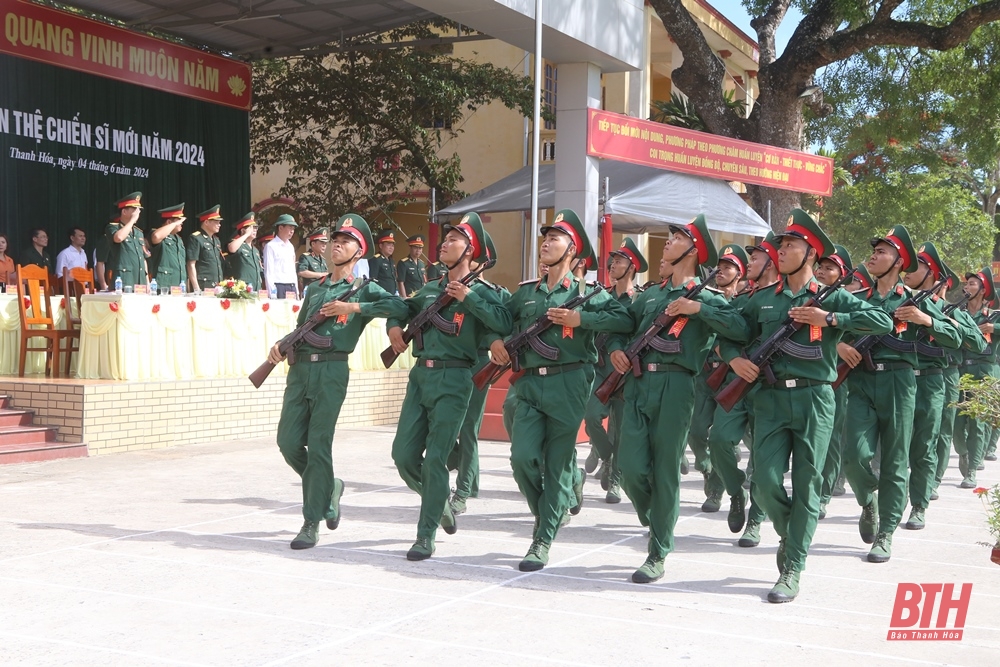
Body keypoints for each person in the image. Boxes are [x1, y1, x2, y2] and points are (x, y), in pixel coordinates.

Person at [722, 210, 894, 602]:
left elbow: (881, 323)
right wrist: (733, 358)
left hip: (816, 397)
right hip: (769, 397)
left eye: (790, 246)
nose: (780, 252)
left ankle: (793, 565)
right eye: (780, 246)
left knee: (807, 484)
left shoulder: (832, 296)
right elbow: (730, 330)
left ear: (811, 253)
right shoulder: (763, 299)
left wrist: (829, 317)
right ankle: (791, 532)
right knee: (764, 482)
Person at [609, 214, 745, 584]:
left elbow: (739, 329)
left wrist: (697, 309)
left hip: (677, 386)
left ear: (695, 249)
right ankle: (656, 519)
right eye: (668, 237)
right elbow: (619, 325)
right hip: (638, 384)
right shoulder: (651, 294)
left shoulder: (707, 297)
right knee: (632, 467)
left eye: (676, 238)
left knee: (665, 469)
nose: (667, 242)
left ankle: (657, 551)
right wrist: (616, 350)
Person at [501, 209, 631, 572]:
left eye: (554, 238)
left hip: (569, 381)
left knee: (556, 463)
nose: (545, 243)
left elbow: (624, 318)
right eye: (545, 237)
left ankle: (542, 538)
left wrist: (582, 319)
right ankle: (559, 500)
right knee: (522, 458)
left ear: (572, 250)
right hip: (529, 382)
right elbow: (500, 318)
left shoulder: (587, 294)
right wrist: (497, 338)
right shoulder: (527, 292)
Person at [269, 214, 407, 549]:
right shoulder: (316, 287)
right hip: (300, 371)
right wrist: (280, 344)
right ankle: (329, 486)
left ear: (359, 252)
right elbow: (303, 326)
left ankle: (310, 521)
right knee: (287, 443)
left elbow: (400, 307)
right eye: (335, 240)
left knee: (318, 445)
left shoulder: (364, 288)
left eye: (345, 241)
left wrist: (352, 306)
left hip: (332, 372)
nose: (336, 245)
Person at [387, 212, 511, 561]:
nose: (444, 243)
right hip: (420, 377)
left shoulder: (483, 292)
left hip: (456, 379)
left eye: (454, 239)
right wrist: (394, 327)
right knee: (402, 455)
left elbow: (501, 322)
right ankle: (438, 499)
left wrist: (468, 298)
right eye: (445, 239)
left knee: (436, 459)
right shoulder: (429, 288)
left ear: (471, 250)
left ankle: (425, 535)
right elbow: (401, 308)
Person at [840, 224, 960, 564]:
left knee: (894, 461)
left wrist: (925, 320)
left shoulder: (913, 301)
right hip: (862, 382)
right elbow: (827, 331)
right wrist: (841, 346)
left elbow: (957, 339)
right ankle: (868, 499)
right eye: (874, 251)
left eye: (882, 253)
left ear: (898, 262)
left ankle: (885, 533)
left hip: (900, 383)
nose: (873, 257)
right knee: (853, 455)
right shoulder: (857, 299)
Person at [448, 231, 508, 516]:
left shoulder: (489, 293)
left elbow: (501, 322)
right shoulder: (448, 287)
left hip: (476, 363)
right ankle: (469, 482)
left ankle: (463, 488)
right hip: (449, 363)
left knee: (468, 428)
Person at [583, 238, 647, 504]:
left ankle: (616, 480)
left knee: (620, 429)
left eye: (619, 261)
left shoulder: (641, 299)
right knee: (591, 417)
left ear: (632, 267)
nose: (612, 265)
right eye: (612, 261)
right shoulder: (603, 295)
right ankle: (606, 456)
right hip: (600, 367)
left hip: (625, 372)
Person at [732, 233, 781, 550]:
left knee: (761, 463)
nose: (749, 263)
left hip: (770, 388)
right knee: (720, 440)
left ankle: (755, 519)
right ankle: (736, 493)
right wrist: (732, 359)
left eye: (756, 257)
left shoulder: (786, 298)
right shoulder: (743, 300)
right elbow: (726, 335)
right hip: (737, 386)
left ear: (772, 262)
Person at [812, 245, 854, 521]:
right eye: (821, 266)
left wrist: (838, 342)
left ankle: (825, 492)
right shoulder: (805, 296)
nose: (823, 271)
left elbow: (867, 326)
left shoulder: (843, 301)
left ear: (841, 275)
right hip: (805, 378)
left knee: (830, 439)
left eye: (830, 268)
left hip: (837, 378)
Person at [952, 266, 999, 488]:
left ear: (982, 290)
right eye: (966, 284)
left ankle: (972, 470)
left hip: (983, 374)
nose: (967, 287)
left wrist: (994, 327)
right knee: (956, 424)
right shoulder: (957, 313)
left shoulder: (993, 316)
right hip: (959, 371)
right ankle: (964, 453)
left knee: (977, 424)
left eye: (972, 284)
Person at [106, 193, 148, 287]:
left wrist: (147, 282)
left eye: (139, 210)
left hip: (140, 281)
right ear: (124, 212)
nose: (138, 212)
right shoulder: (113, 227)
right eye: (134, 209)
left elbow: (143, 258)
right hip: (124, 280)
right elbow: (119, 238)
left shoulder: (138, 232)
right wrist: (132, 220)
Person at [185, 205, 225, 292]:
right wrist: (196, 288)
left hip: (217, 285)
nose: (219, 225)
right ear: (206, 222)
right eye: (216, 222)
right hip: (203, 285)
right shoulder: (196, 238)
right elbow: (191, 264)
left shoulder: (216, 240)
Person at [148, 203, 187, 291]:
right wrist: (174, 224)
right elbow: (156, 237)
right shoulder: (156, 232)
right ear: (169, 222)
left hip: (179, 286)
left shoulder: (178, 239)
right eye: (178, 221)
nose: (181, 224)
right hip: (163, 285)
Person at [264, 214, 299, 299]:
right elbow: (269, 272)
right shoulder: (271, 246)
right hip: (278, 286)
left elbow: (292, 270)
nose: (292, 231)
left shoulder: (290, 247)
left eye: (293, 229)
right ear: (280, 228)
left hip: (291, 286)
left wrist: (297, 291)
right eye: (290, 228)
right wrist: (272, 293)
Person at [226, 213, 264, 290]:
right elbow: (231, 248)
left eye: (256, 227)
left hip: (256, 288)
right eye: (252, 227)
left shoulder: (255, 250)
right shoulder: (239, 245)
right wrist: (246, 235)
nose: (255, 230)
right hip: (243, 289)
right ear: (243, 230)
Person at [297, 228, 329, 292]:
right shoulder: (306, 257)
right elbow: (301, 272)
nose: (324, 245)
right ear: (313, 244)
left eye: (325, 243)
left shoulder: (323, 259)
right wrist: (320, 275)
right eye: (322, 243)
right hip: (310, 291)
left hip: (322, 291)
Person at [370, 230, 397, 294]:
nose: (391, 247)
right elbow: (373, 280)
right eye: (388, 244)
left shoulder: (391, 260)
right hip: (381, 295)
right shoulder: (376, 259)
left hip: (391, 295)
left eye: (392, 245)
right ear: (381, 246)